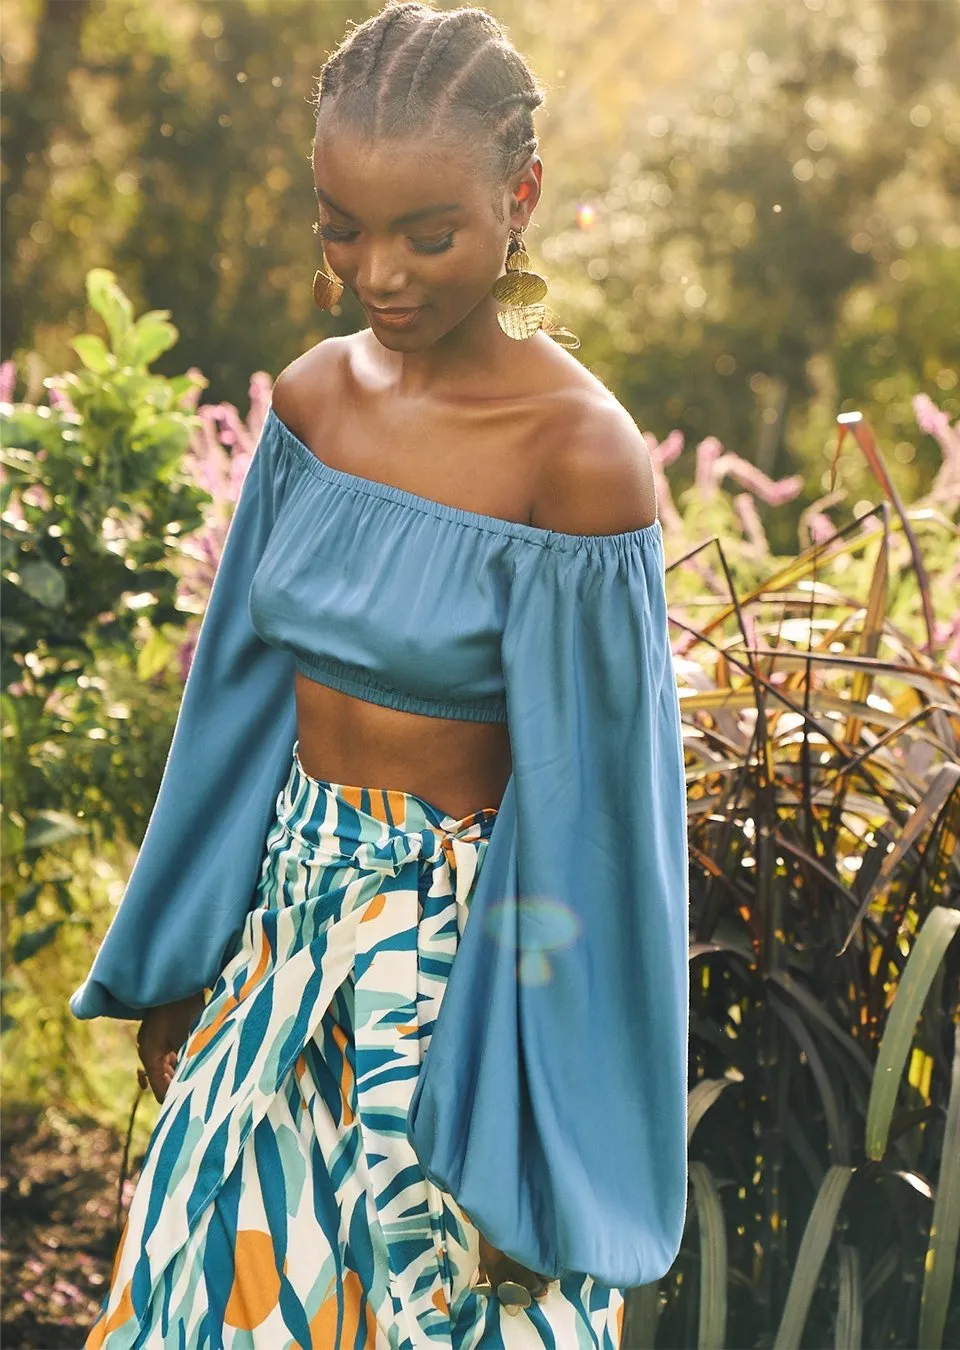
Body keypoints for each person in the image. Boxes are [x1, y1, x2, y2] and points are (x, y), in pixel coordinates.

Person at [72, 3, 689, 1345]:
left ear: (519, 200)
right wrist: (183, 955)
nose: (379, 275)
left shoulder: (577, 458)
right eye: (341, 226)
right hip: (285, 930)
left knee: (441, 1317)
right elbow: (233, 709)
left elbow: (601, 815)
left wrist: (548, 1123)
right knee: (211, 1295)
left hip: (463, 966)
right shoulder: (309, 405)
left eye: (428, 233)